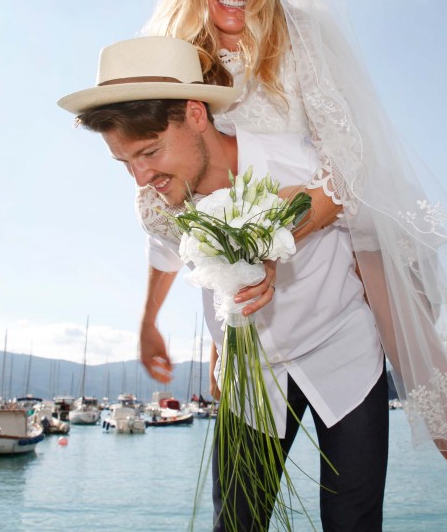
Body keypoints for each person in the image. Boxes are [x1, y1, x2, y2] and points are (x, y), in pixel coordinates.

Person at [140, 0, 447, 532]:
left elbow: (348, 165)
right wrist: (181, 318)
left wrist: (274, 237)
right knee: (236, 518)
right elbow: (170, 191)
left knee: (431, 391)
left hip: (336, 272)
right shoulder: (175, 58)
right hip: (248, 321)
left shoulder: (301, 40)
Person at [60, 35, 390, 530]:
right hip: (249, 374)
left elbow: (352, 203)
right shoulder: (156, 201)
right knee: (235, 522)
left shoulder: (292, 158)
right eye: (125, 162)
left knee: (353, 522)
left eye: (148, 152)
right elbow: (164, 255)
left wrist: (273, 239)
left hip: (342, 353)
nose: (140, 177)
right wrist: (148, 322)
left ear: (196, 114)